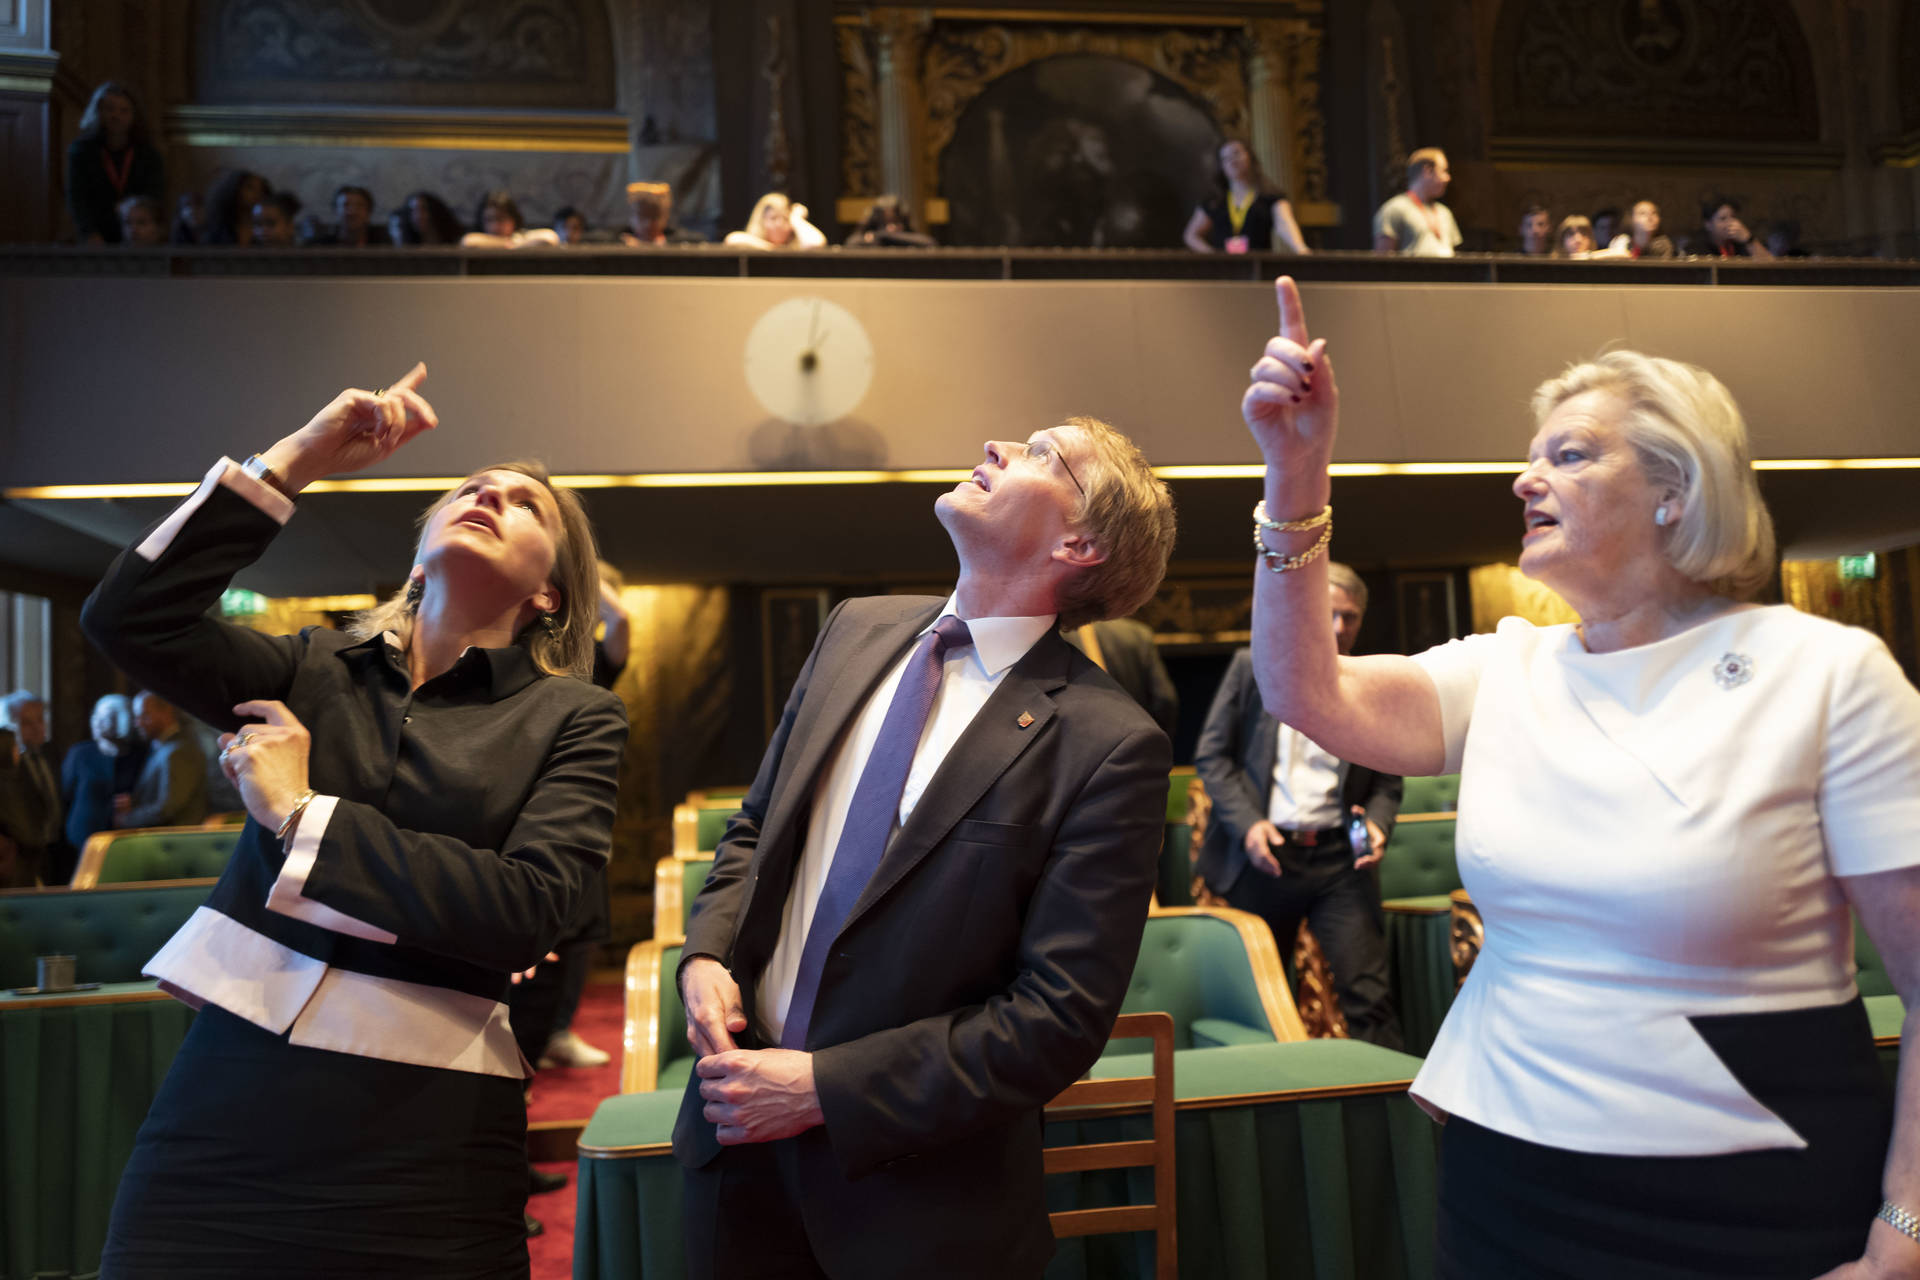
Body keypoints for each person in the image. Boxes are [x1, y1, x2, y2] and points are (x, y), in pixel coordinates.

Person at [1238, 275, 1920, 1278]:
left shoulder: (1828, 672)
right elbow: (1306, 691)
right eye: (1531, 458)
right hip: (1508, 1183)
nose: (1526, 480)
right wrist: (1296, 476)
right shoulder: (1507, 668)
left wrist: (1907, 1229)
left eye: (1569, 455)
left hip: (1752, 1190)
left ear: (1675, 489)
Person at [84, 363, 627, 1275]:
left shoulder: (575, 717)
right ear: (418, 559)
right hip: (225, 1105)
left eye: (525, 505)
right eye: (472, 488)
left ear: (550, 595)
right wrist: (296, 459)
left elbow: (529, 910)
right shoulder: (312, 667)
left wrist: (301, 814)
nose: (489, 497)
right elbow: (129, 619)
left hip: (430, 1137)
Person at [674, 417, 1177, 1278]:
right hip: (733, 1149)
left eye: (1044, 453)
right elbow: (757, 829)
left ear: (1080, 543)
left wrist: (824, 1091)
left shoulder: (1110, 743)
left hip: (918, 1202)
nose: (997, 447)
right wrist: (706, 953)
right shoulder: (853, 631)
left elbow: (1056, 1019)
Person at [1192, 566, 1404, 1048]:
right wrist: (1249, 825)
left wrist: (1377, 823)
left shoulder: (1373, 678)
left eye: (1349, 617)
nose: (1338, 627)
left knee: (1369, 997)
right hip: (1267, 858)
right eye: (1327, 613)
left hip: (1340, 861)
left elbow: (1388, 777)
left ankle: (1392, 1095)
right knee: (1255, 1006)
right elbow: (1213, 757)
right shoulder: (1252, 667)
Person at [66, 81, 166, 245]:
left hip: (137, 235)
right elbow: (77, 198)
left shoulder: (148, 153)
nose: (116, 116)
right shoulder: (82, 151)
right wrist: (89, 232)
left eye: (124, 110)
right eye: (110, 109)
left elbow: (154, 197)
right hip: (96, 233)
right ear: (98, 111)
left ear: (134, 115)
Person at [61, 693, 147, 878]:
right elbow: (65, 794)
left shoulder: (141, 755)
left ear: (124, 720)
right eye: (95, 716)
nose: (97, 722)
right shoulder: (80, 753)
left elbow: (148, 793)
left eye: (106, 717)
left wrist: (135, 802)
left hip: (124, 838)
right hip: (81, 838)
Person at [1183, 139, 1309, 255]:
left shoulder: (1270, 197)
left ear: (1250, 157)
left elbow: (1284, 224)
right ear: (1221, 166)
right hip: (1223, 268)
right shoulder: (1214, 201)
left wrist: (1302, 250)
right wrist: (1213, 256)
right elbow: (1191, 235)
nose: (1232, 161)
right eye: (1226, 158)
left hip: (1259, 266)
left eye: (1236, 153)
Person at [1064, 616, 1177, 740]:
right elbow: (1164, 699)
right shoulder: (1137, 633)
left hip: (1079, 741)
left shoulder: (1058, 636)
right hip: (1138, 739)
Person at [116, 693, 209, 830]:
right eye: (136, 717)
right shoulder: (163, 746)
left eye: (144, 716)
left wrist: (127, 819)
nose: (137, 723)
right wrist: (135, 803)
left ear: (166, 712)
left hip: (173, 839)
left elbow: (167, 808)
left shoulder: (179, 751)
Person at [1, 691, 61, 885]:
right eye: (27, 723)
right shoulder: (8, 768)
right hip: (23, 858)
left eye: (40, 720)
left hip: (56, 851)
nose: (37, 728)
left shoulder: (52, 752)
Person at [1373, 148, 1463, 256]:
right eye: (1444, 171)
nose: (1447, 178)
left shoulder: (1445, 212)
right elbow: (1383, 260)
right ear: (1427, 170)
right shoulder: (1394, 209)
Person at [723, 192, 826, 250]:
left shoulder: (797, 246)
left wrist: (797, 219)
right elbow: (733, 239)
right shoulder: (751, 245)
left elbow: (816, 243)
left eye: (785, 219)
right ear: (761, 221)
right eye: (773, 218)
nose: (779, 224)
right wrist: (775, 250)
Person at [461, 191, 561, 249]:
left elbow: (550, 237)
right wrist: (506, 244)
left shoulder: (521, 237)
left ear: (514, 219)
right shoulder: (479, 239)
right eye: (489, 219)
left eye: (501, 218)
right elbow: (468, 241)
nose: (495, 225)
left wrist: (514, 243)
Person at [1688, 195, 1775, 260]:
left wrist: (1748, 239)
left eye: (1733, 217)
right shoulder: (1696, 248)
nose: (1730, 223)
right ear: (1708, 224)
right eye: (1723, 219)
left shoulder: (1740, 243)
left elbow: (1770, 265)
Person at [621, 181, 704, 246]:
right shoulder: (618, 240)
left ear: (666, 216)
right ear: (630, 215)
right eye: (642, 216)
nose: (648, 224)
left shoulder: (683, 241)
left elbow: (700, 240)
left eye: (654, 217)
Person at [200, 170, 270, 246]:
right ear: (235, 189)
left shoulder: (267, 229)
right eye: (250, 188)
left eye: (261, 189)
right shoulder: (218, 230)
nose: (257, 193)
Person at [844, 194, 937, 248]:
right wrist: (881, 234)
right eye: (885, 221)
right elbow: (851, 242)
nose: (890, 226)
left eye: (894, 221)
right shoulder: (867, 235)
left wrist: (889, 235)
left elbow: (929, 242)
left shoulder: (908, 235)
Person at [1597, 198, 1675, 259]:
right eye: (1642, 213)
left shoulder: (1663, 245)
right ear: (1631, 219)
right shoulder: (1623, 241)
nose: (1650, 217)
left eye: (1654, 213)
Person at [325, 185, 390, 247]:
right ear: (335, 210)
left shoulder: (384, 245)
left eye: (359, 206)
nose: (352, 211)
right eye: (346, 205)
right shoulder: (323, 245)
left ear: (369, 211)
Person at [392, 190, 464, 246]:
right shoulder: (409, 243)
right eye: (412, 211)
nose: (418, 216)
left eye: (423, 209)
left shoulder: (457, 241)